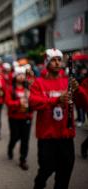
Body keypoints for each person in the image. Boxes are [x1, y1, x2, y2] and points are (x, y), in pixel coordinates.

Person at [29, 49, 79, 189]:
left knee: (64, 175)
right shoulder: (38, 82)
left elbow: (82, 102)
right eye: (53, 60)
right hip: (47, 137)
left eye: (59, 59)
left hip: (66, 136)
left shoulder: (68, 81)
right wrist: (56, 100)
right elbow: (33, 102)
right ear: (47, 63)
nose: (57, 63)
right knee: (46, 170)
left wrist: (78, 90)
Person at [5, 66, 33, 170]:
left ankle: (23, 159)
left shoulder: (28, 88)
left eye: (23, 75)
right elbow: (8, 102)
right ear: (15, 76)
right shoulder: (10, 89)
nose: (21, 77)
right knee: (15, 137)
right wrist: (18, 102)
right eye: (19, 75)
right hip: (14, 117)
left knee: (25, 139)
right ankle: (10, 148)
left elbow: (34, 101)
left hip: (26, 117)